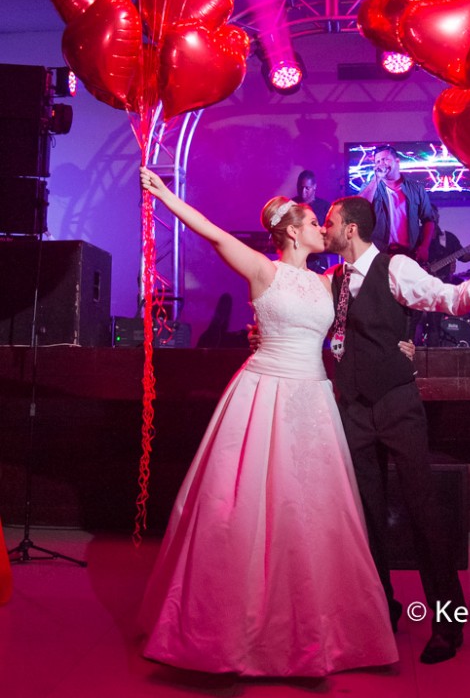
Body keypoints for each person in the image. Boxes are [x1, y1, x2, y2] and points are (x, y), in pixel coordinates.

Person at [137, 168, 398, 677]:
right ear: (293, 231)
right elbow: (212, 232)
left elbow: (371, 306)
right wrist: (167, 194)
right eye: (312, 222)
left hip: (313, 398)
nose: (322, 228)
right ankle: (237, 634)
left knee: (313, 515)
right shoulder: (263, 270)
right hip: (263, 392)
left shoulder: (330, 281)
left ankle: (318, 632)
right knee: (249, 510)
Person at [322, 196, 470, 664]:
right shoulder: (331, 280)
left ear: (350, 230)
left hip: (396, 402)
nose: (324, 228)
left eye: (329, 222)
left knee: (424, 512)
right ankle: (381, 609)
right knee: (365, 518)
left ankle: (448, 624)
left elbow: (448, 299)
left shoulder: (395, 269)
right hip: (353, 410)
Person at [359, 145, 436, 263]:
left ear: (397, 161)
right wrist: (376, 179)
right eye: (378, 161)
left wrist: (424, 247)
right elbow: (359, 207)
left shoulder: (416, 189)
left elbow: (428, 220)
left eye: (385, 159)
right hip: (379, 255)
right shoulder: (372, 186)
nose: (381, 164)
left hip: (409, 254)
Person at [421, 205, 470, 345]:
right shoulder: (416, 236)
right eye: (429, 215)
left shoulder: (448, 238)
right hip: (419, 287)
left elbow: (463, 256)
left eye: (434, 215)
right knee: (413, 324)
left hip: (439, 289)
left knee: (434, 325)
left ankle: (433, 358)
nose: (432, 219)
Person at [293, 169, 331, 273]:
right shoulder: (291, 205)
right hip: (296, 257)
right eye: (300, 187)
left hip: (317, 259)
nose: (303, 191)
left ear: (314, 187)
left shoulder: (325, 207)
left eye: (307, 188)